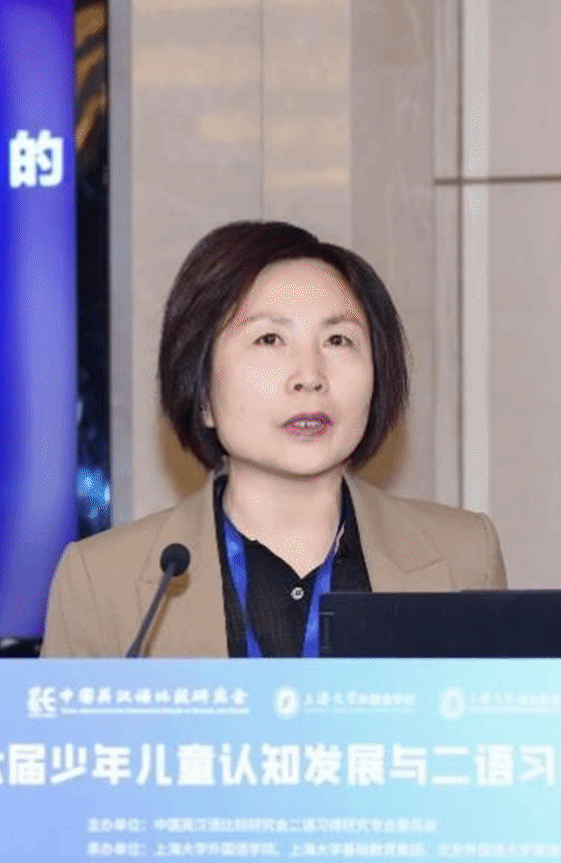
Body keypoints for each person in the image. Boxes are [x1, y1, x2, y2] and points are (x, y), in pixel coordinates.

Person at [42, 220, 506, 658]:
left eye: (338, 340)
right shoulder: (102, 582)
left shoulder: (462, 558)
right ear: (202, 394)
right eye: (269, 339)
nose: (310, 376)